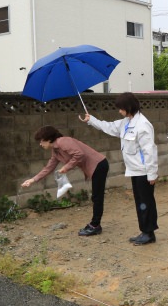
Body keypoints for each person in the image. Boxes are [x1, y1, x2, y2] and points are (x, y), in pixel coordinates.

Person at [81, 92, 159, 246]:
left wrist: (152, 174)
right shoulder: (126, 122)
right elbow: (108, 127)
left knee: (146, 202)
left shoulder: (143, 125)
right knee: (140, 202)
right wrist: (92, 120)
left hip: (144, 171)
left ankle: (149, 233)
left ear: (128, 107)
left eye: (121, 108)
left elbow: (150, 151)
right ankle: (144, 231)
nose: (119, 111)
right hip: (134, 170)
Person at [22, 126, 109, 237]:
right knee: (96, 197)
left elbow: (79, 154)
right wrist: (32, 180)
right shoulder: (56, 150)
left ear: (49, 139)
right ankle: (94, 224)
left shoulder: (63, 141)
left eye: (42, 141)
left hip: (99, 165)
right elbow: (49, 167)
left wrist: (66, 167)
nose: (40, 144)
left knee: (97, 197)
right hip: (96, 167)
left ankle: (95, 226)